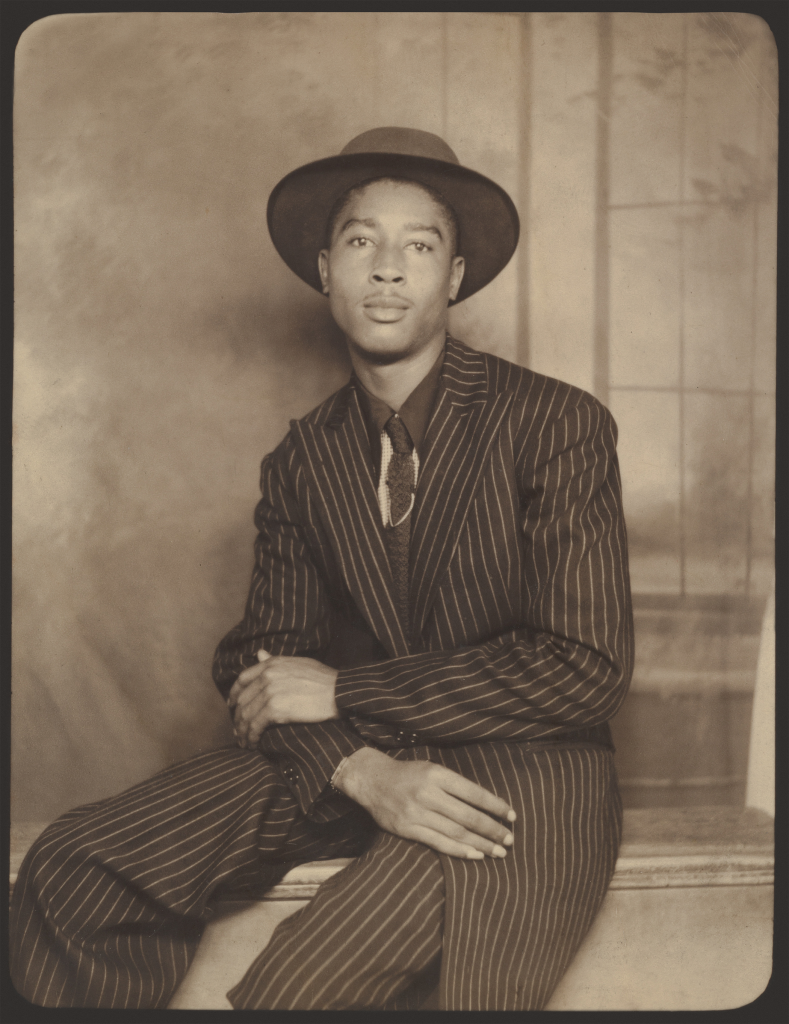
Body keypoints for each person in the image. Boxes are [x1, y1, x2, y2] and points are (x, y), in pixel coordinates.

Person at [10, 127, 634, 1010]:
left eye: (419, 246)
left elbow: (584, 670)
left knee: (292, 993)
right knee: (70, 867)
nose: (387, 268)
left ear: (453, 278)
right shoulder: (302, 459)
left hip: (522, 767)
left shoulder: (553, 423)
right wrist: (356, 767)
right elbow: (261, 668)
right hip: (352, 756)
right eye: (360, 242)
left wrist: (345, 693)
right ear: (324, 271)